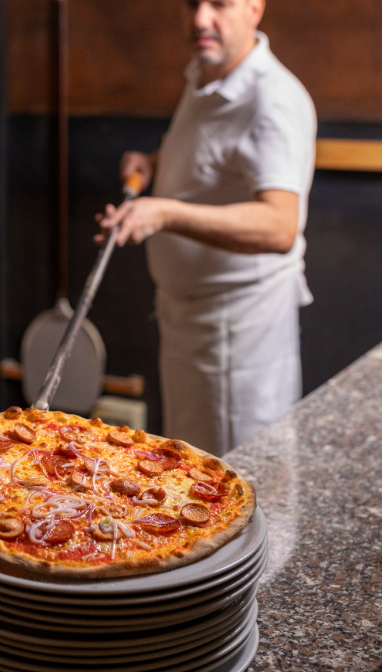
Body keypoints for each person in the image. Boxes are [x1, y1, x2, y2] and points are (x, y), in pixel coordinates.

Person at [96, 0, 316, 457]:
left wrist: (165, 213)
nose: (200, 19)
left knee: (244, 489)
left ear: (255, 9)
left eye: (219, 4)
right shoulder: (206, 73)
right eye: (192, 3)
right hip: (189, 325)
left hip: (237, 339)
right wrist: (155, 164)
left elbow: (280, 226)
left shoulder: (270, 99)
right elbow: (218, 160)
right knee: (192, 476)